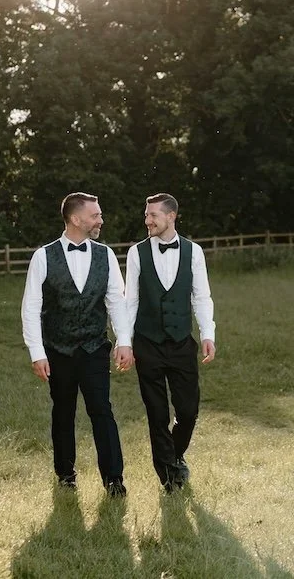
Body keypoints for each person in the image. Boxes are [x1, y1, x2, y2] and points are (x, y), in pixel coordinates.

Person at [21, 192, 135, 497]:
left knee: (102, 410)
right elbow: (31, 307)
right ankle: (65, 475)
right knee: (63, 412)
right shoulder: (44, 256)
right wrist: (37, 353)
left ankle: (114, 479)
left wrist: (124, 341)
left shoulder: (106, 255)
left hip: (94, 348)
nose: (100, 220)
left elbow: (116, 302)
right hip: (58, 350)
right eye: (95, 215)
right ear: (75, 218)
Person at [125, 192, 216, 492]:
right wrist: (125, 341)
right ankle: (168, 476)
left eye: (153, 215)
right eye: (146, 214)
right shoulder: (137, 253)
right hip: (148, 344)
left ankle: (175, 456)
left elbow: (201, 296)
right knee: (157, 414)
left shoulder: (194, 251)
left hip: (180, 343)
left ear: (171, 216)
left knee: (188, 411)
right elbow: (130, 302)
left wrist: (207, 334)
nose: (147, 220)